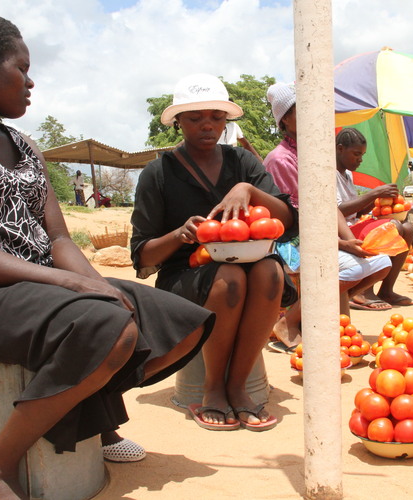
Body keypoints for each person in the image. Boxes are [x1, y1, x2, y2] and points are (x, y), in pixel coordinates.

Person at [0, 12, 214, 499]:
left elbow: (60, 240)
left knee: (178, 319)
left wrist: (97, 283)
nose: (31, 80)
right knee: (105, 325)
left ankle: (90, 418)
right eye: (21, 68)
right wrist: (72, 286)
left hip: (36, 290)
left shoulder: (23, 145)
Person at [131, 73, 298, 432]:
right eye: (195, 118)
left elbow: (288, 221)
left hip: (254, 270)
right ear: (178, 122)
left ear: (226, 121)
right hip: (185, 277)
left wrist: (247, 191)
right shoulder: (157, 174)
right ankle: (212, 389)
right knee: (230, 277)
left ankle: (238, 387)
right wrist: (180, 234)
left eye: (217, 118)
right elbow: (143, 255)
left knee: (269, 270)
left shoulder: (244, 165)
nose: (207, 125)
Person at [264, 82, 392, 334]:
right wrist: (340, 244)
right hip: (291, 240)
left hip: (320, 236)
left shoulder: (315, 154)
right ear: (285, 119)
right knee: (353, 267)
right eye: (304, 109)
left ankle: (326, 302)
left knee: (382, 262)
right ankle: (289, 320)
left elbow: (327, 206)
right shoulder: (282, 159)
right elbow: (299, 218)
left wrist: (351, 240)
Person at [334, 128, 413, 308]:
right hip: (342, 232)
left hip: (353, 224)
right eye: (356, 154)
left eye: (362, 155)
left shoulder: (347, 174)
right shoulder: (329, 173)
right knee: (392, 227)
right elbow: (337, 210)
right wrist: (374, 194)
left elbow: (355, 210)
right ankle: (364, 291)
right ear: (340, 149)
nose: (360, 160)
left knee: (407, 228)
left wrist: (380, 202)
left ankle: (387, 290)